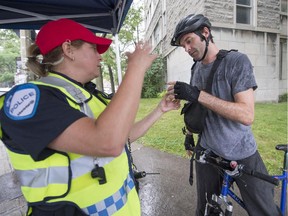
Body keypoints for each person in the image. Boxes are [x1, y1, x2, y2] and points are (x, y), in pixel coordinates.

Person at [0, 18, 180, 216]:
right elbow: (107, 142)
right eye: (94, 49)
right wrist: (135, 68)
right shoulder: (29, 99)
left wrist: (160, 110)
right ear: (68, 49)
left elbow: (122, 137)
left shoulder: (87, 95)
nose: (100, 58)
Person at [167, 14, 281, 216]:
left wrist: (198, 94)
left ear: (205, 33)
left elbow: (247, 115)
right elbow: (198, 106)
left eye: (188, 41)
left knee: (265, 210)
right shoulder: (196, 68)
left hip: (242, 152)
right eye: (182, 45)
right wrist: (188, 133)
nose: (186, 49)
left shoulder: (237, 62)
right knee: (206, 211)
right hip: (208, 153)